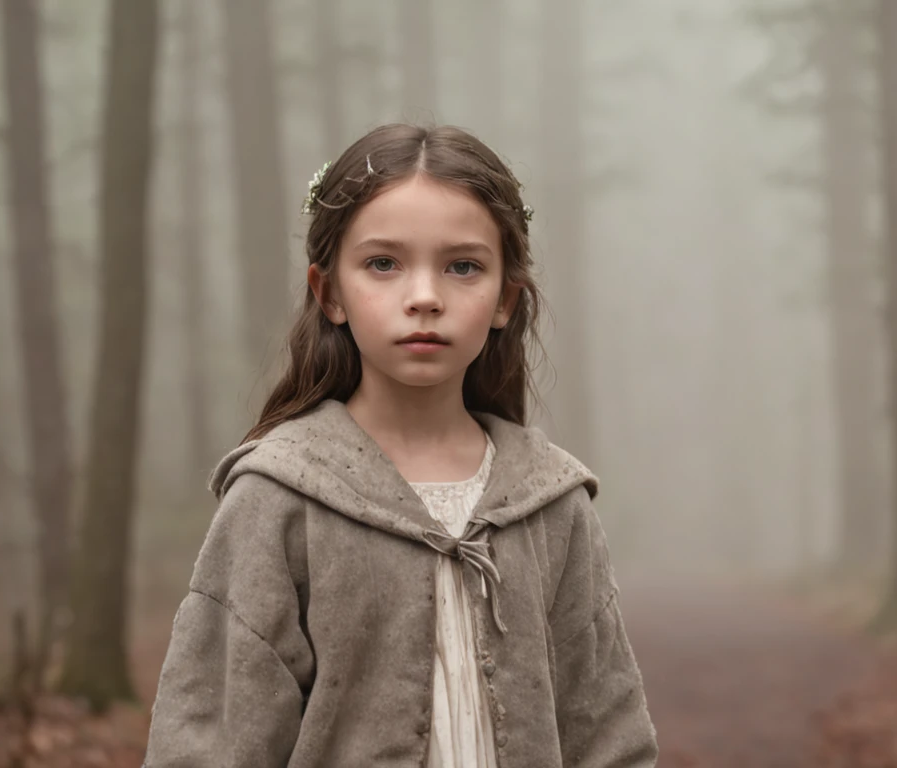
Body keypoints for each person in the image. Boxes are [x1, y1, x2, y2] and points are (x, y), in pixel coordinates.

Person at [143, 123, 658, 767]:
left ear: (505, 298)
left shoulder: (551, 504)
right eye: (383, 264)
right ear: (329, 292)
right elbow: (209, 743)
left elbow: (609, 736)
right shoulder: (277, 500)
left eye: (462, 266)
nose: (423, 298)